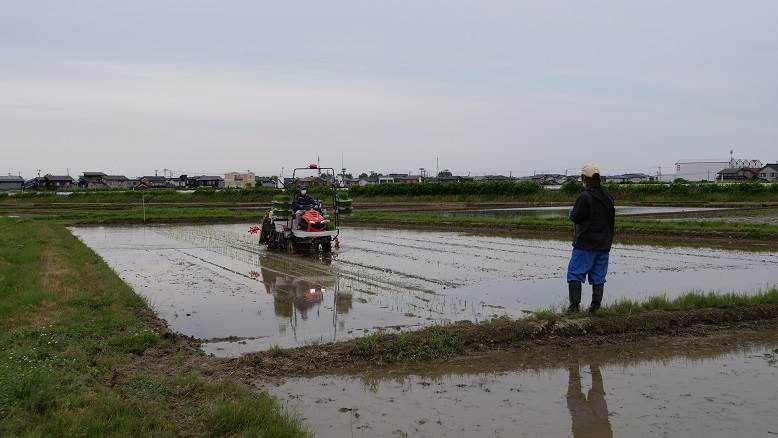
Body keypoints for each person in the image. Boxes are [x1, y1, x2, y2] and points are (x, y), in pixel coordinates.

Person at [566, 165, 615, 313]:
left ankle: (574, 307)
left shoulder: (585, 196)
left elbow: (576, 217)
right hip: (604, 244)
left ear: (584, 178)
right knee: (599, 276)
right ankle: (595, 308)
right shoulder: (608, 195)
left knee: (574, 273)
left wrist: (571, 213)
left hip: (585, 244)